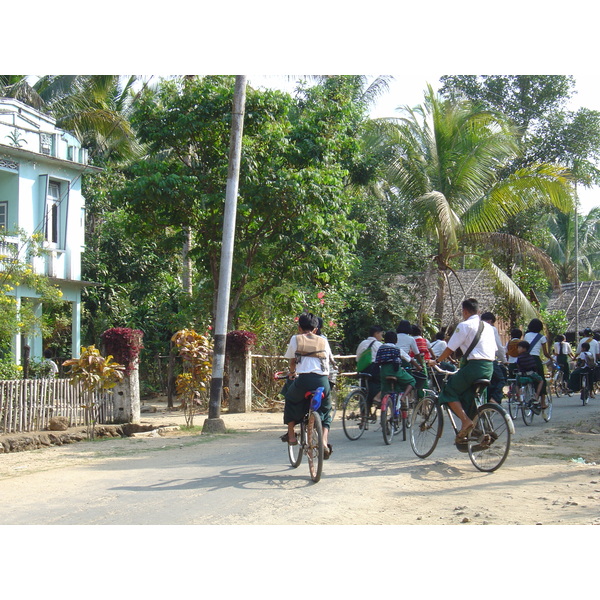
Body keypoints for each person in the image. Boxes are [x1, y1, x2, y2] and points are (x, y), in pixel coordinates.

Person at [427, 298, 496, 443]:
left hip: (474, 367)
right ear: (478, 311)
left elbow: (450, 348)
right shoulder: (489, 327)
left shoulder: (464, 325)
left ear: (464, 311)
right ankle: (475, 429)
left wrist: (437, 361)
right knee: (469, 397)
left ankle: (465, 421)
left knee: (448, 391)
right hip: (489, 368)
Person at [281, 313, 334, 458]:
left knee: (290, 398)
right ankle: (323, 441)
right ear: (316, 329)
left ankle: (291, 435)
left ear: (299, 327)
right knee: (326, 409)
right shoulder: (323, 340)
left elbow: (292, 362)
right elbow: (328, 361)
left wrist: (292, 373)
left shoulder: (296, 339)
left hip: (303, 380)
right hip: (322, 381)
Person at [373, 331, 419, 406]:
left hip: (383, 371)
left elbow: (377, 361)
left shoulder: (381, 348)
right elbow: (410, 359)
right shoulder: (397, 349)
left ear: (384, 340)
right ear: (396, 341)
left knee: (385, 388)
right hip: (395, 371)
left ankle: (378, 398)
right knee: (412, 381)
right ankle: (403, 397)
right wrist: (419, 367)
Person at [523, 318, 551, 408]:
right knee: (541, 379)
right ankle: (542, 402)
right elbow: (545, 353)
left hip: (526, 359)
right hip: (535, 359)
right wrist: (552, 358)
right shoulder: (542, 337)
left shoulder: (526, 335)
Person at [481, 312, 507, 403]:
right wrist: (504, 360)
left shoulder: (476, 329)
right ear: (490, 321)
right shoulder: (491, 329)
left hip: (475, 361)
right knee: (501, 380)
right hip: (489, 359)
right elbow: (499, 347)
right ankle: (494, 399)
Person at [355, 325, 384, 409]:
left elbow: (357, 358)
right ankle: (377, 398)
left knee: (364, 390)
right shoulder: (379, 345)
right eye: (381, 334)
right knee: (385, 384)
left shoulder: (362, 343)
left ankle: (364, 415)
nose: (381, 337)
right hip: (374, 369)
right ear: (376, 333)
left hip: (363, 369)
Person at [515, 340, 545, 408]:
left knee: (516, 384)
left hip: (520, 375)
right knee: (541, 381)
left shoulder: (519, 358)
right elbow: (533, 366)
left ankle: (519, 397)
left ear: (524, 348)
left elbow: (518, 366)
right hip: (530, 374)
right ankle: (536, 395)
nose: (518, 349)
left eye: (519, 347)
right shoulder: (530, 357)